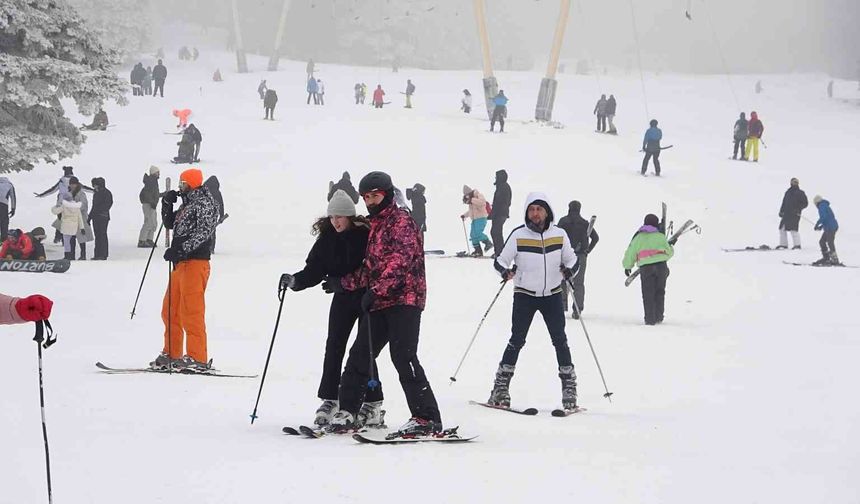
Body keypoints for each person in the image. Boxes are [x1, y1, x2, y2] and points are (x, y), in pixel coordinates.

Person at [328, 171, 442, 437]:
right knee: (359, 355)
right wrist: (343, 284)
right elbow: (371, 268)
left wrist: (374, 290)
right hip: (380, 301)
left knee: (403, 356)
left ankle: (427, 417)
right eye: (366, 197)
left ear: (388, 194)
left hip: (405, 299)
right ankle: (348, 410)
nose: (370, 202)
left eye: (375, 196)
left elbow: (399, 263)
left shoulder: (401, 221)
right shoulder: (375, 225)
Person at [278, 190, 386, 427]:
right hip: (342, 298)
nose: (336, 221)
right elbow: (314, 270)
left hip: (368, 298)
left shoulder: (365, 236)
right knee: (334, 345)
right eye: (332, 216)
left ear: (350, 216)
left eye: (340, 216)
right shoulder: (326, 240)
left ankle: (373, 402)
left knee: (364, 349)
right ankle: (329, 399)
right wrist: (295, 281)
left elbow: (374, 268)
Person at [490, 192, 579, 411]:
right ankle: (500, 388)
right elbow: (500, 259)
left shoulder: (559, 234)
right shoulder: (518, 234)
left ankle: (569, 389)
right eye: (531, 209)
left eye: (539, 209)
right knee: (516, 340)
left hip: (552, 294)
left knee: (560, 340)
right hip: (524, 294)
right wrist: (505, 271)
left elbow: (572, 259)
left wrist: (569, 271)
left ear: (547, 211)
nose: (535, 213)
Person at [152, 168, 219, 372]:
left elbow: (204, 232)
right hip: (181, 264)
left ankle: (198, 357)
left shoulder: (204, 203)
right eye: (179, 184)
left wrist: (181, 249)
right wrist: (166, 203)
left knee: (191, 311)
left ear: (192, 184)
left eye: (183, 184)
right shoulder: (187, 205)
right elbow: (169, 223)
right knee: (170, 309)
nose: (180, 187)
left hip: (196, 263)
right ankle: (172, 353)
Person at [622, 214, 674, 325]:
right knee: (660, 292)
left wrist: (627, 267)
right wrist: (671, 247)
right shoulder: (660, 236)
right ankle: (659, 317)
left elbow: (630, 253)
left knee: (648, 294)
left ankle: (650, 319)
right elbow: (669, 253)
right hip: (661, 267)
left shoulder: (639, 237)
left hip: (646, 269)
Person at [557, 201, 599, 318]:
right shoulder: (585, 224)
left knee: (562, 279)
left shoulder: (563, 222)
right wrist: (587, 250)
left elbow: (555, 237)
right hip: (580, 255)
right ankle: (577, 309)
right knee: (579, 283)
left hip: (565, 255)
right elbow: (595, 238)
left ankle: (562, 305)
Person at [51, 194, 84, 261]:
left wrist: (55, 207)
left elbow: (55, 211)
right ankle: (72, 255)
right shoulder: (77, 207)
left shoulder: (64, 206)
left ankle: (67, 256)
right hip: (74, 227)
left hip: (66, 226)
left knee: (66, 242)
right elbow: (80, 218)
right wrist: (82, 228)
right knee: (72, 241)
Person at [461, 185, 492, 256]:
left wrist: (471, 200)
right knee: (472, 235)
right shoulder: (471, 201)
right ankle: (478, 251)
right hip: (474, 220)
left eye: (467, 195)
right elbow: (470, 211)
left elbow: (482, 203)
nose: (467, 197)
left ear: (470, 192)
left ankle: (488, 243)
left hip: (481, 218)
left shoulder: (478, 195)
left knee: (477, 233)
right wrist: (464, 215)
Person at [67, 177, 94, 260]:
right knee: (71, 236)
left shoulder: (81, 193)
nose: (72, 186)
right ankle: (71, 254)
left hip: (80, 217)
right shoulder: (69, 193)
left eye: (74, 184)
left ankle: (83, 255)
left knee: (81, 237)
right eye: (71, 184)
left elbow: (84, 204)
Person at [777, 178, 808, 250]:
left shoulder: (801, 193)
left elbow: (805, 203)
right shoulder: (788, 192)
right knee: (782, 228)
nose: (795, 183)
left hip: (795, 214)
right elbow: (784, 203)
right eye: (793, 182)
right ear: (790, 183)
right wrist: (781, 211)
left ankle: (797, 245)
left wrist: (798, 209)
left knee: (793, 229)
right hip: (786, 214)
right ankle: (783, 244)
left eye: (796, 182)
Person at [489, 170, 511, 258]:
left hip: (500, 213)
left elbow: (499, 202)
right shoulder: (503, 186)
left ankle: (500, 253)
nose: (495, 178)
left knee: (495, 232)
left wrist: (493, 213)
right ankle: (499, 252)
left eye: (496, 177)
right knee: (496, 232)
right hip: (501, 213)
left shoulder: (503, 187)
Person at [89, 177, 113, 260]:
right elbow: (93, 206)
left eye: (95, 185)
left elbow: (108, 205)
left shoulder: (107, 193)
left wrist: (99, 211)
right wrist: (89, 217)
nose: (94, 187)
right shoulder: (96, 193)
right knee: (97, 235)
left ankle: (103, 254)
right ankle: (97, 254)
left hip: (103, 217)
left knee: (102, 234)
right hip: (96, 217)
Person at [812, 195, 839, 265]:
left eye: (815, 204)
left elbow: (823, 217)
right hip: (830, 226)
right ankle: (826, 258)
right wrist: (820, 227)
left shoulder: (821, 206)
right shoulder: (824, 205)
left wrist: (817, 224)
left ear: (816, 202)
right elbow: (826, 218)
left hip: (830, 227)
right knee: (822, 242)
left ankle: (834, 259)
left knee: (829, 242)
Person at [139, 166, 160, 248]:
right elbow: (147, 194)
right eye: (157, 172)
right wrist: (152, 202)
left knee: (153, 223)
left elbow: (154, 194)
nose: (159, 174)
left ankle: (149, 239)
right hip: (149, 204)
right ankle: (142, 240)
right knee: (149, 222)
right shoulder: (151, 182)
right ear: (154, 173)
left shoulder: (153, 181)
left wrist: (163, 194)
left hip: (152, 204)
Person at [203, 176, 225, 254]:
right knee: (212, 231)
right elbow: (221, 204)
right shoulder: (217, 192)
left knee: (203, 231)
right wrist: (221, 215)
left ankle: (204, 246)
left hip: (203, 214)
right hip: (213, 215)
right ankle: (211, 248)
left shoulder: (204, 191)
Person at [0, 176, 15, 241]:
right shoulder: (9, 185)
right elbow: (13, 198)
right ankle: (3, 240)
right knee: (4, 222)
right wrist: (13, 209)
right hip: (3, 206)